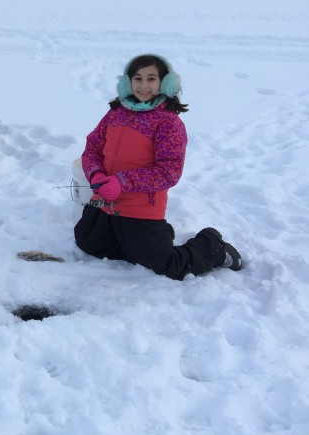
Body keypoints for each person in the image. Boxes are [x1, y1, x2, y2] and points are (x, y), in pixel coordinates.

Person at [74, 54, 242, 280]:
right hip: (106, 202)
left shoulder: (168, 122)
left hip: (141, 206)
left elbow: (169, 172)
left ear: (164, 83)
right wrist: (95, 173)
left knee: (166, 265)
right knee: (87, 241)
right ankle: (152, 239)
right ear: (127, 82)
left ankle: (213, 246)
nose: (143, 86)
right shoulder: (116, 113)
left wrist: (122, 181)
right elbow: (93, 146)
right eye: (137, 78)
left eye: (151, 79)